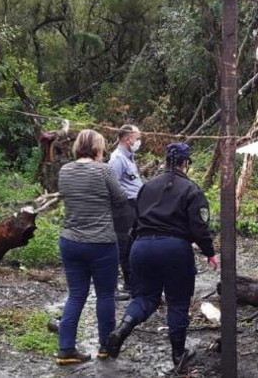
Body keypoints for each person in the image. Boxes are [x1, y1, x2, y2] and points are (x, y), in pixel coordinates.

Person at [107, 142, 218, 371]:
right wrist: (209, 253)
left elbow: (134, 223)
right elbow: (199, 227)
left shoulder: (146, 187)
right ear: (185, 163)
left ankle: (121, 331)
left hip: (141, 247)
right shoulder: (191, 190)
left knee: (144, 298)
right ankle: (179, 356)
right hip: (175, 249)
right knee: (177, 301)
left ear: (166, 161)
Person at [55, 129, 129, 365]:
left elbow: (67, 195)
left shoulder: (64, 170)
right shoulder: (104, 170)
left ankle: (66, 349)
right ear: (98, 148)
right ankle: (105, 346)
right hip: (101, 243)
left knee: (76, 295)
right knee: (105, 295)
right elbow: (120, 198)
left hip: (70, 241)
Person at [108, 124, 144, 299]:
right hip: (123, 207)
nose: (139, 142)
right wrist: (122, 204)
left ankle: (132, 282)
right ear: (128, 138)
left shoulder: (129, 157)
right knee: (124, 244)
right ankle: (126, 284)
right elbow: (111, 185)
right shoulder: (117, 159)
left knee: (132, 243)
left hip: (134, 205)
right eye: (137, 138)